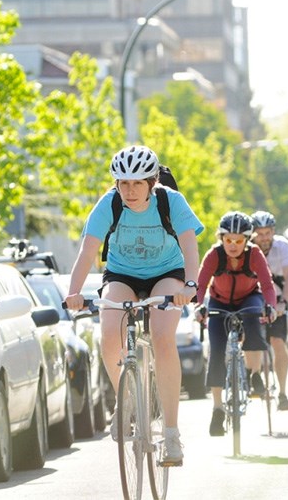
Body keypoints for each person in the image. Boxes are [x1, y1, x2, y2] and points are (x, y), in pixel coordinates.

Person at [64, 145, 203, 466]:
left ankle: (170, 434)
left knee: (162, 335)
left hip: (166, 273)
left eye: (137, 183)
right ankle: (124, 402)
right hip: (121, 273)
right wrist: (73, 292)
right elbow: (87, 252)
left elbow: (189, 246)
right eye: (122, 183)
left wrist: (191, 285)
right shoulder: (109, 204)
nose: (129, 190)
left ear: (152, 182)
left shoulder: (171, 201)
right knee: (109, 333)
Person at [195, 211, 277, 436]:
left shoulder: (255, 255)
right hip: (219, 302)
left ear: (247, 240)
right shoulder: (214, 255)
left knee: (254, 321)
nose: (233, 245)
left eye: (239, 241)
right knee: (217, 351)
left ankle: (254, 373)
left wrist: (270, 306)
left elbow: (267, 286)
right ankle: (218, 409)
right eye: (228, 240)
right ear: (221, 238)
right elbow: (200, 285)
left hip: (248, 298)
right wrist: (198, 306)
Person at [251, 210, 288, 411]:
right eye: (260, 234)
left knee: (278, 341)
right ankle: (254, 377)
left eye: (268, 233)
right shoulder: (247, 248)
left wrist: (284, 303)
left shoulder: (283, 246)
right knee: (250, 339)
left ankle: (283, 393)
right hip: (252, 298)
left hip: (276, 300)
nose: (264, 238)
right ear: (253, 234)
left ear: (273, 232)